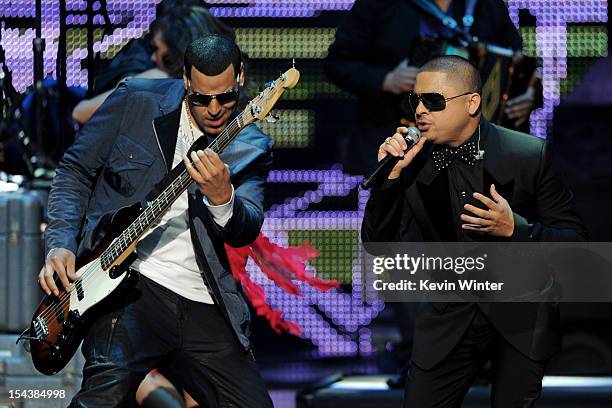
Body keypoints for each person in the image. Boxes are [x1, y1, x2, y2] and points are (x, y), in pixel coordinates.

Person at [39, 34, 274, 407]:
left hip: (200, 298)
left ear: (240, 78)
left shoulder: (251, 145)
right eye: (201, 98)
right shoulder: (136, 100)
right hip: (126, 286)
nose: (214, 109)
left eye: (225, 97)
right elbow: (75, 171)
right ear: (185, 81)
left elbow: (245, 228)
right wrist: (60, 241)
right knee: (104, 398)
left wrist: (222, 198)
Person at [361, 55, 586, 407]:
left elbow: (576, 248)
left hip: (520, 318)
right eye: (415, 100)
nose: (420, 110)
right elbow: (379, 248)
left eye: (433, 101)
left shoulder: (526, 155)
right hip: (448, 320)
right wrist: (389, 181)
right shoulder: (411, 163)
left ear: (472, 103)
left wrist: (516, 229)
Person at [325, 0, 538, 174]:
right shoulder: (378, 5)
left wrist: (527, 97)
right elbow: (336, 64)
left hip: (476, 152)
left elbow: (519, 66)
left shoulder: (486, 5)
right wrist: (386, 80)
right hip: (403, 144)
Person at [73, 4, 235, 124]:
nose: (152, 57)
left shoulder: (154, 81)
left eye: (157, 49)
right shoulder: (230, 88)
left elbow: (80, 113)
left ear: (174, 51)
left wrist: (136, 85)